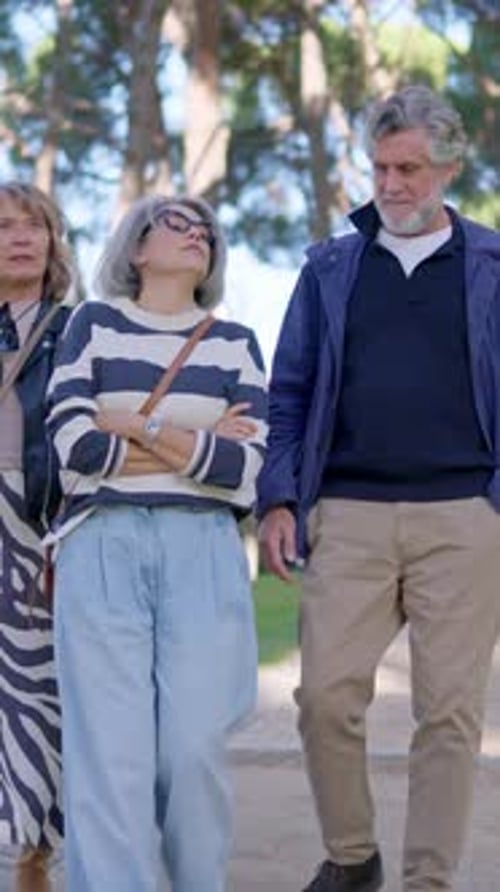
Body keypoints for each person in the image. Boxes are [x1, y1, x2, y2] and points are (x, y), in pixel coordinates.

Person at [257, 84, 500, 892]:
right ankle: (354, 858)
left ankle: (428, 881)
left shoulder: (491, 265)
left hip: (465, 515)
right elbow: (287, 390)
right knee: (324, 697)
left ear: (449, 168)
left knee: (451, 714)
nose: (393, 184)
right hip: (349, 511)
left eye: (411, 168)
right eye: (381, 167)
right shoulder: (331, 266)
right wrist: (282, 498)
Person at [46, 194, 268, 892]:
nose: (197, 232)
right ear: (137, 248)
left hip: (202, 551)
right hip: (100, 546)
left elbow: (246, 470)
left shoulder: (234, 343)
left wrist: (130, 424)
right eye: (177, 223)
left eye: (206, 227)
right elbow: (73, 448)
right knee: (110, 758)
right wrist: (194, 443)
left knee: (194, 751)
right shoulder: (92, 324)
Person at [0, 182, 73, 892]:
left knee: (37, 691)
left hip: (41, 521)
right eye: (4, 227)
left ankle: (34, 848)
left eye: (34, 226)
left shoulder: (78, 327)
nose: (21, 237)